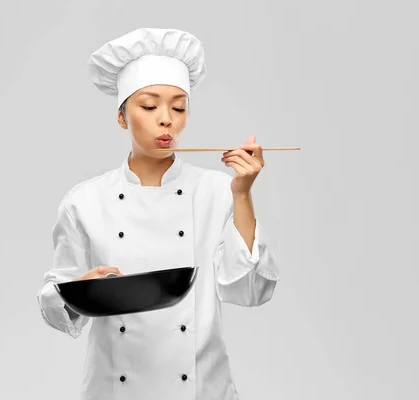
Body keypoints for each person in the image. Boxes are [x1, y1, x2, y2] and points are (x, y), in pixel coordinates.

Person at [36, 27, 281, 400]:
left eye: (179, 107)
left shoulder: (217, 190)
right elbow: (54, 303)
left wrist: (243, 194)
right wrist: (83, 288)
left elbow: (250, 290)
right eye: (149, 106)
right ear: (122, 117)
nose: (166, 119)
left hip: (201, 389)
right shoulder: (84, 201)